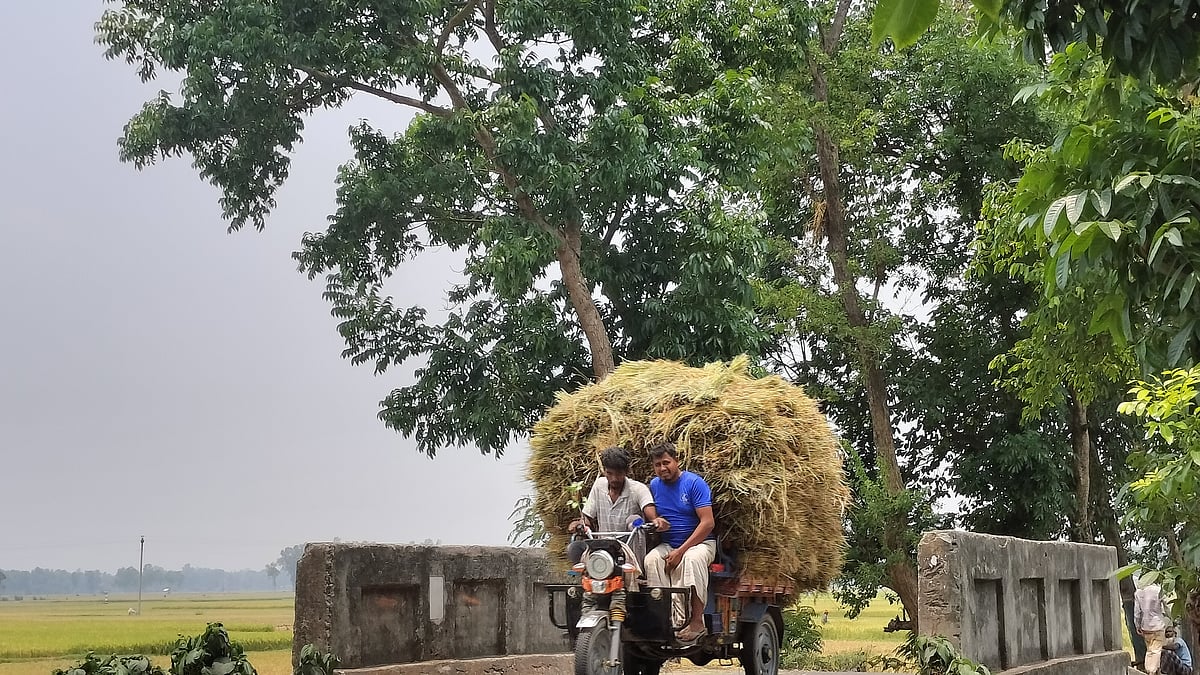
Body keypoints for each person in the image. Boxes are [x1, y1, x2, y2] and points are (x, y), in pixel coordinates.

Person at [643, 442, 716, 644]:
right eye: (657, 465)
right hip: (669, 544)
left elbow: (708, 523)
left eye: (666, 462)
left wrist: (681, 551)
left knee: (692, 559)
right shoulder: (654, 486)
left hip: (701, 544)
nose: (662, 468)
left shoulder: (694, 483)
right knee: (651, 560)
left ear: (677, 461)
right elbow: (650, 515)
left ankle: (696, 622)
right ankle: (665, 621)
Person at [567, 446, 657, 538]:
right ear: (604, 471)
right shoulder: (599, 485)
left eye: (618, 474)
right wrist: (580, 524)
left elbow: (648, 508)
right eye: (609, 473)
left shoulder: (639, 489)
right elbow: (588, 519)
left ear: (626, 472)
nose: (614, 478)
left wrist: (655, 520)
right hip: (603, 547)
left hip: (630, 548)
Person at [1135, 578, 1169, 674]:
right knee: (1156, 650)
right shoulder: (1159, 590)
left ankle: (1152, 670)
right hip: (1158, 625)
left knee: (1150, 650)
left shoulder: (1138, 592)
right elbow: (1166, 607)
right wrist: (1171, 619)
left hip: (1145, 627)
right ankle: (1152, 671)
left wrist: (1137, 625)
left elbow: (1137, 612)